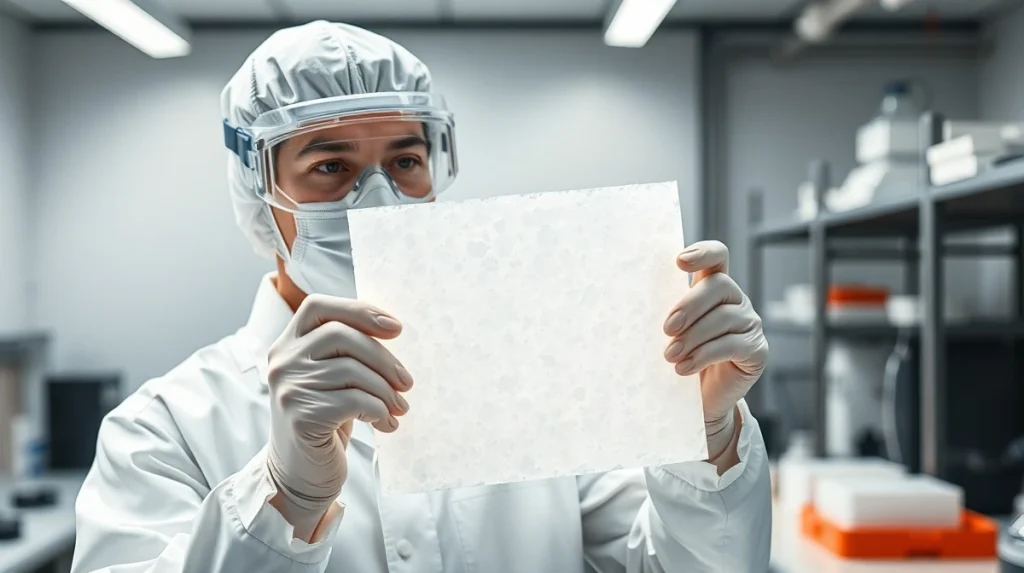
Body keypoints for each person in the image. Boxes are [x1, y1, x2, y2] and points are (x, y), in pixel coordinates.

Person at [71, 21, 772, 573]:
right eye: (330, 165)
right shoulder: (164, 429)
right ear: (260, 192)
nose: (378, 198)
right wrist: (283, 496)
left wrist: (703, 436)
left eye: (405, 161)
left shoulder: (534, 378)